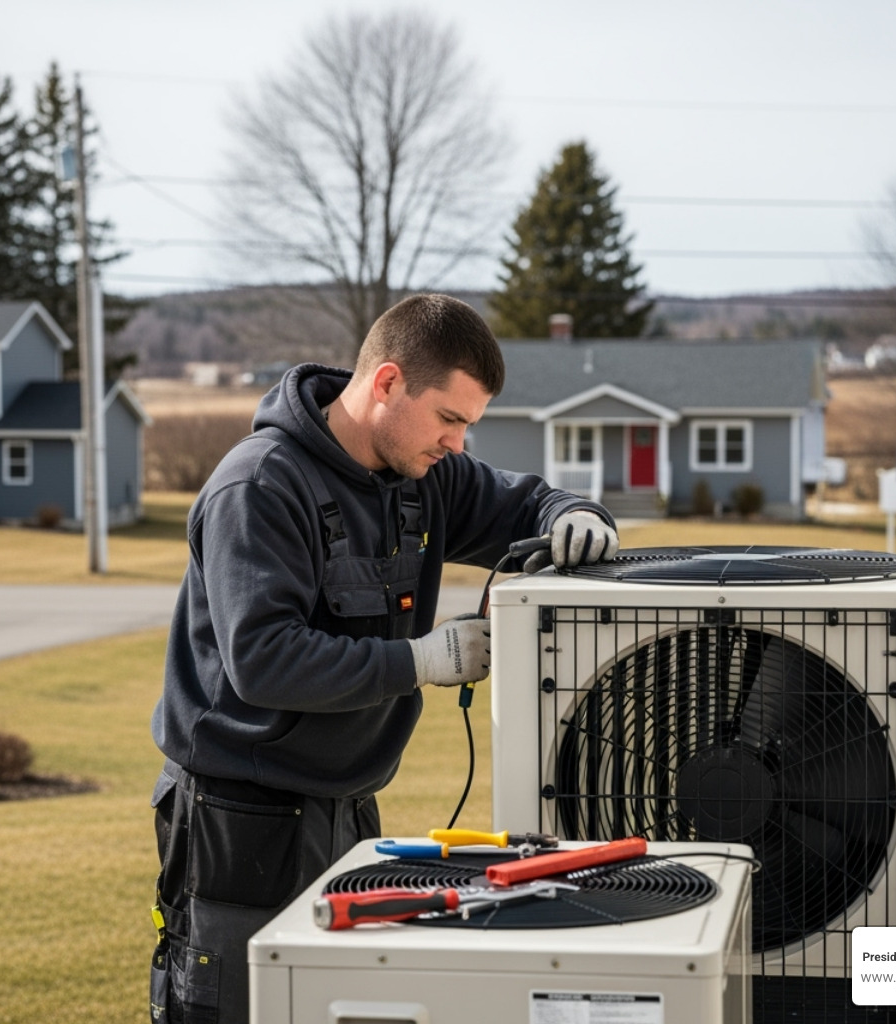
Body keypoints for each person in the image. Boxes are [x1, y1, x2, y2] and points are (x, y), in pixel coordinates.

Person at [148, 293, 619, 1023]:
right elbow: (266, 661)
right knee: (239, 1010)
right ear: (389, 382)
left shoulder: (421, 476)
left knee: (343, 1005)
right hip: (240, 819)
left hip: (351, 810)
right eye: (451, 419)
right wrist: (425, 661)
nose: (459, 444)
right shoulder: (262, 486)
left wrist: (574, 515)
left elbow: (524, 504)